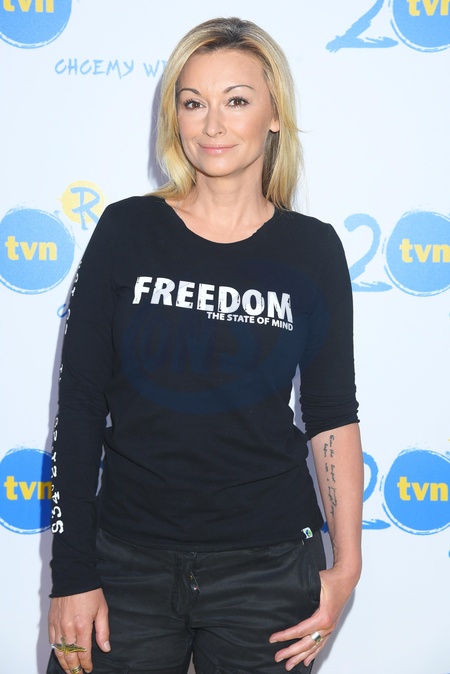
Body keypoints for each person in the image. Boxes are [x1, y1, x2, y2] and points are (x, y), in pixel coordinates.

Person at [47, 16, 363, 674]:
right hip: (124, 561)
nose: (212, 124)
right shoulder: (127, 229)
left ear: (275, 115)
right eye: (193, 103)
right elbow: (77, 406)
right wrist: (72, 573)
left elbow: (331, 414)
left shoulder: (312, 249)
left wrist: (348, 567)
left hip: (269, 568)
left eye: (236, 100)